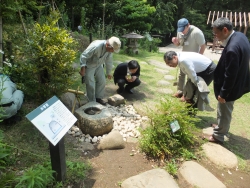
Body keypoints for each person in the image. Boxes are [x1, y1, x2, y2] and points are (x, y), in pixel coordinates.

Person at [205, 17, 250, 143]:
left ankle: (219, 135)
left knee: (224, 109)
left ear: (225, 30)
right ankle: (221, 126)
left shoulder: (232, 49)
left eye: (216, 33)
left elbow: (230, 75)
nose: (215, 36)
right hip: (239, 82)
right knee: (225, 110)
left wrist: (223, 93)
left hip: (231, 87)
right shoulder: (240, 36)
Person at [79, 36, 121, 105]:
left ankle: (98, 98)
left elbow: (109, 61)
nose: (113, 51)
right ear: (108, 45)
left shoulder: (109, 50)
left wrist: (108, 72)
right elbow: (83, 56)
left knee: (102, 81)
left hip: (99, 65)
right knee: (90, 83)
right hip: (89, 65)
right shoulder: (96, 46)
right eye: (112, 50)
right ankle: (92, 101)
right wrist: (83, 69)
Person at [172, 18, 206, 99]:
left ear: (188, 25)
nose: (182, 31)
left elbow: (203, 46)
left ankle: (186, 95)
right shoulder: (180, 31)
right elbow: (179, 44)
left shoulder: (197, 32)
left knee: (190, 77)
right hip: (183, 57)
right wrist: (176, 42)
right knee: (181, 74)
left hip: (193, 59)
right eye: (180, 29)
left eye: (183, 29)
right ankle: (179, 91)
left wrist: (199, 57)